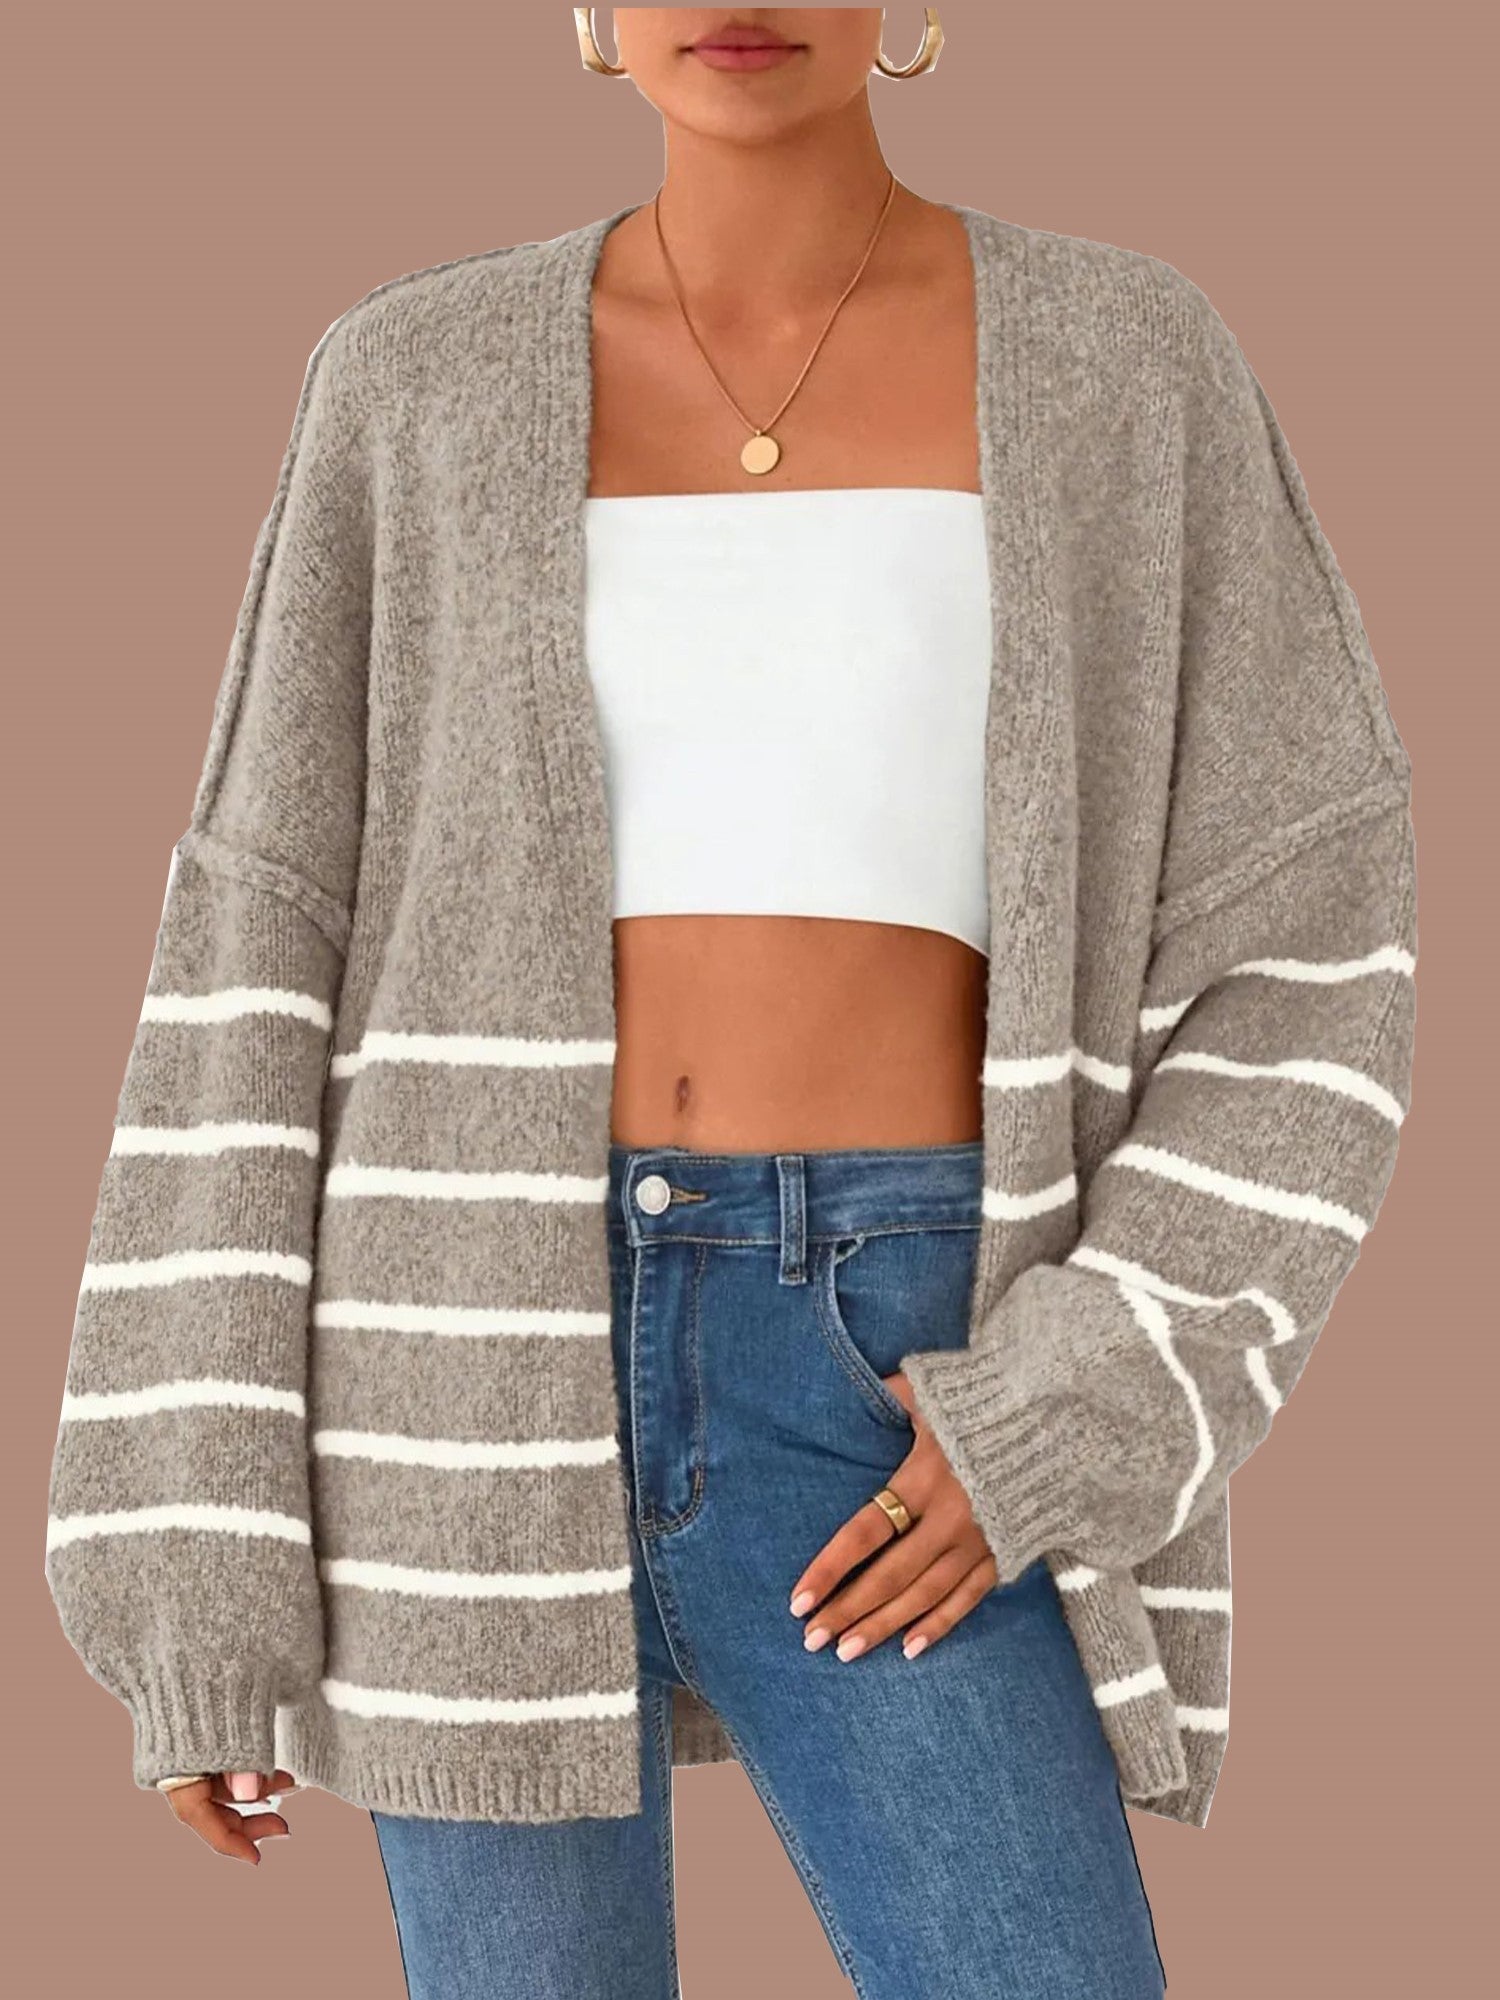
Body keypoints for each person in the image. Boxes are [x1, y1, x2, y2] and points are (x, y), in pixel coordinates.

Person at [43, 9, 1418, 1997]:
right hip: (456, 1372)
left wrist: (1087, 1387)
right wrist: (193, 1563)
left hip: (901, 1351)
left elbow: (1308, 940)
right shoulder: (409, 381)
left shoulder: (1129, 364)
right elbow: (254, 950)